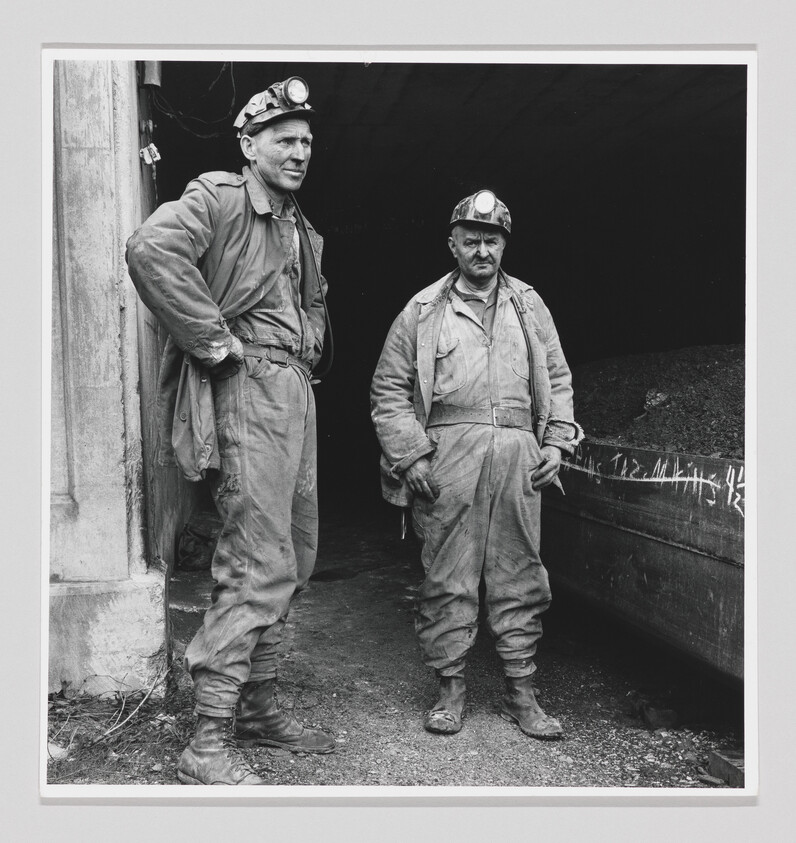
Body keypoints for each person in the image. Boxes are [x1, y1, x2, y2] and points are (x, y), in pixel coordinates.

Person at [126, 77, 335, 785]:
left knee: (294, 552)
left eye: (306, 141)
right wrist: (216, 343)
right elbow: (151, 250)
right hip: (249, 387)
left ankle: (258, 709)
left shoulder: (301, 225)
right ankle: (208, 740)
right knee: (254, 559)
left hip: (293, 390)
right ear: (249, 144)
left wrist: (306, 343)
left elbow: (311, 305)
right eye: (285, 139)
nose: (300, 151)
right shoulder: (219, 197)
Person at [370, 190, 583, 740]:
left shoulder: (529, 305)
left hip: (519, 454)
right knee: (448, 575)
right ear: (453, 244)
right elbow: (389, 390)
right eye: (471, 241)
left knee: (520, 572)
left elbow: (558, 378)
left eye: (492, 240)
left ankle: (521, 692)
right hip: (448, 458)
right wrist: (411, 455)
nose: (482, 251)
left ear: (504, 245)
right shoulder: (422, 310)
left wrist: (557, 443)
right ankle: (450, 689)